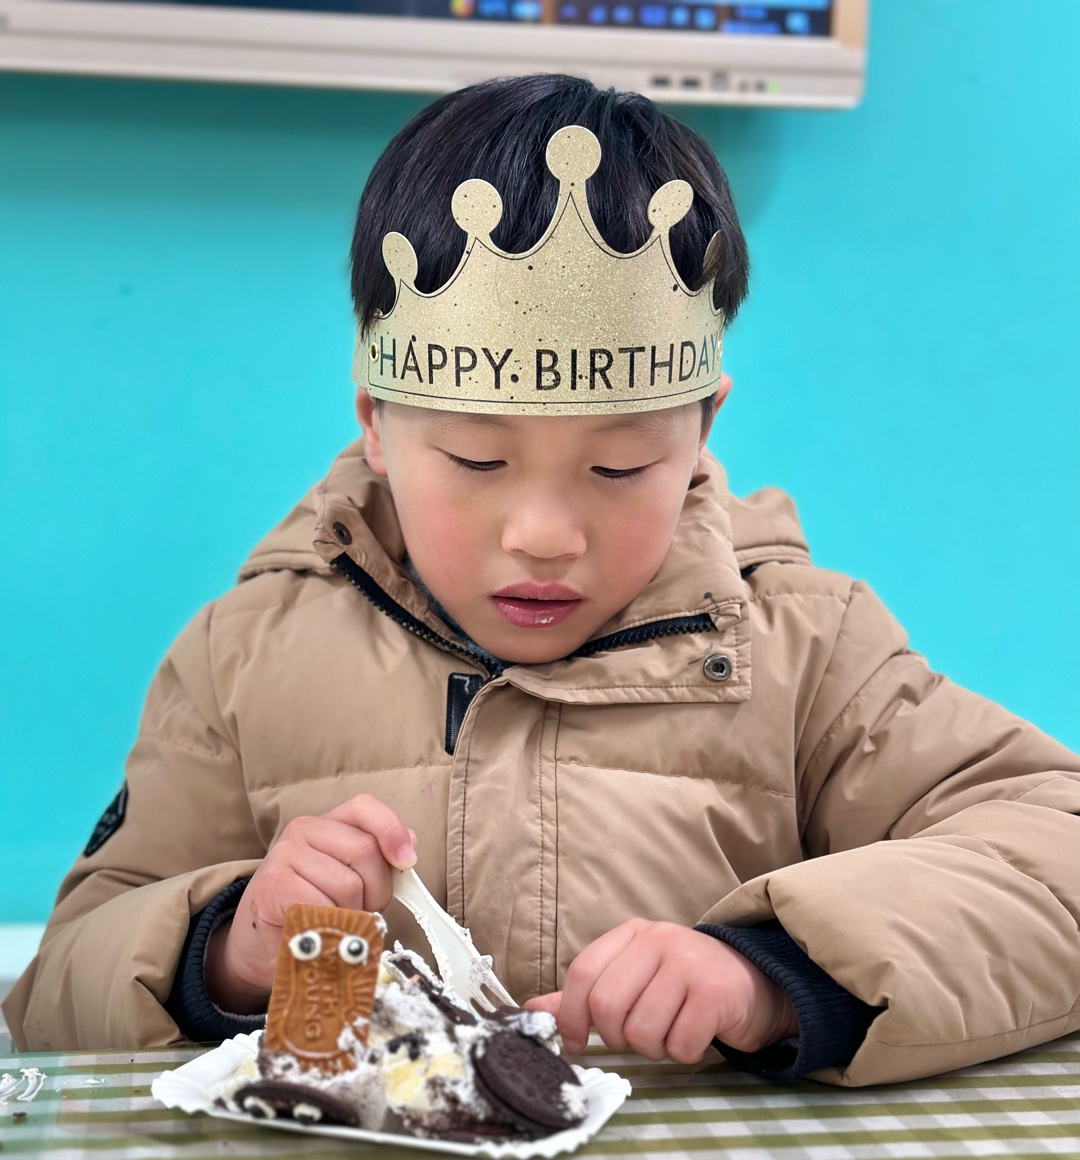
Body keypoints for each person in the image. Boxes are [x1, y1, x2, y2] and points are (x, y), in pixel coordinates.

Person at [6, 74, 1079, 1086]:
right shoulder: (242, 660)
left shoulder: (810, 650)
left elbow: (1053, 850)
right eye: (478, 462)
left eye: (619, 469)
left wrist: (775, 974)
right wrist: (226, 952)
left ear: (702, 430)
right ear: (375, 423)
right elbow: (57, 995)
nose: (545, 536)